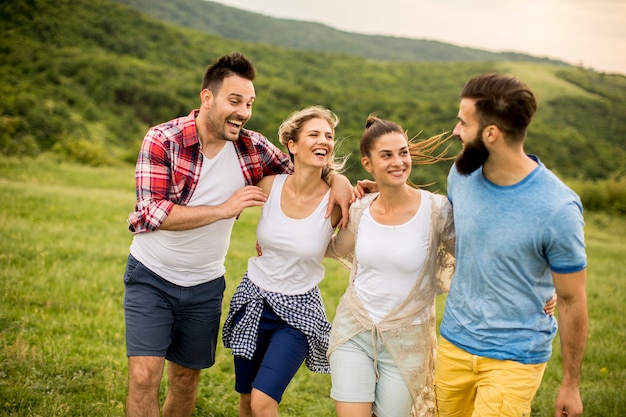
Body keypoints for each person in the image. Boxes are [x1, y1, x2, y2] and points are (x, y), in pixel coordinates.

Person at [122, 53, 352, 417]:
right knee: (143, 375)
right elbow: (149, 213)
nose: (243, 112)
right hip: (152, 275)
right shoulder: (164, 139)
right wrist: (223, 210)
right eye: (234, 101)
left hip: (205, 284)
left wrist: (339, 179)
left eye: (249, 103)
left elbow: (307, 165)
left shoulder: (252, 147)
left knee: (185, 379)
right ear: (207, 98)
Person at [434, 73, 588, 417]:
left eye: (463, 122)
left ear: (491, 134)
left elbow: (572, 298)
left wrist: (570, 385)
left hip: (515, 356)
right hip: (453, 344)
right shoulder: (460, 176)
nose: (456, 130)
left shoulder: (558, 208)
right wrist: (378, 193)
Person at [325, 115, 456, 417]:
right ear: (368, 164)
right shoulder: (359, 210)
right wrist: (279, 245)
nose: (398, 162)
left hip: (409, 341)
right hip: (354, 331)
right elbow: (332, 248)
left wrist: (532, 291)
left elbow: (472, 262)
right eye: (386, 155)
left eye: (403, 152)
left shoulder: (437, 211)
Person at [222, 106, 345, 417]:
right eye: (314, 134)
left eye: (329, 136)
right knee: (247, 400)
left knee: (264, 402)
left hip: (298, 312)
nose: (324, 141)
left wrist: (342, 181)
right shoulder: (269, 185)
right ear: (292, 144)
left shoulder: (336, 200)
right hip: (254, 300)